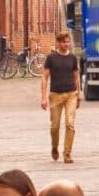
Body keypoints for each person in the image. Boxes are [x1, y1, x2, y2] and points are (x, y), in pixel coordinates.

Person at [39, 29, 81, 164]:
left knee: (70, 123)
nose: (66, 44)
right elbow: (45, 77)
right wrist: (43, 97)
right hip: (55, 95)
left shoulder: (72, 58)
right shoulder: (51, 58)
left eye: (68, 42)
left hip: (71, 94)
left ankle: (67, 153)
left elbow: (76, 76)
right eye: (64, 42)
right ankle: (54, 147)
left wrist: (78, 94)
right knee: (55, 126)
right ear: (57, 43)